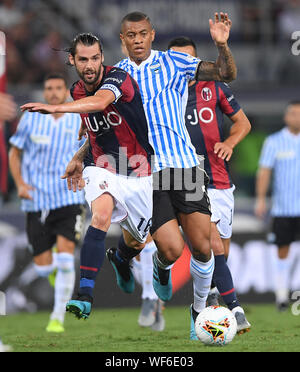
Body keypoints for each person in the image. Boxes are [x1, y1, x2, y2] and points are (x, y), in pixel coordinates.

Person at [114, 11, 237, 340]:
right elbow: (102, 126)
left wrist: (222, 46)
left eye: (143, 33)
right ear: (122, 39)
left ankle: (198, 311)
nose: (137, 39)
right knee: (169, 250)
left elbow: (226, 73)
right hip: (144, 172)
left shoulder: (174, 62)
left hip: (183, 165)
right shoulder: (115, 76)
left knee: (201, 247)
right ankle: (158, 268)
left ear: (152, 35)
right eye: (131, 35)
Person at [20, 33, 154, 320]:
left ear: (102, 57)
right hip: (102, 165)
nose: (90, 65)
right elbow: (94, 130)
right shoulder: (76, 90)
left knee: (137, 242)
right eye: (83, 59)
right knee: (101, 216)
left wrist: (55, 108)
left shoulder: (118, 80)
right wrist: (79, 158)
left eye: (95, 58)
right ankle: (85, 295)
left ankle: (120, 259)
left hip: (139, 170)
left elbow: (100, 102)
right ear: (72, 60)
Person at [168, 36, 251, 335]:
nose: (182, 66)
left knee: (219, 254)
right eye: (176, 59)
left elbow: (243, 123)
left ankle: (209, 301)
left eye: (188, 60)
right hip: (187, 176)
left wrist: (229, 141)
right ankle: (237, 309)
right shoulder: (162, 95)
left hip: (220, 180)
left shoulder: (214, 87)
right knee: (212, 243)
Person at [9, 73, 86, 333]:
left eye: (58, 88)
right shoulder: (30, 119)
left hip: (69, 197)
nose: (53, 92)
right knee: (43, 268)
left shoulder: (78, 118)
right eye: (48, 88)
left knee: (65, 259)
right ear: (44, 91)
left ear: (66, 91)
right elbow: (14, 153)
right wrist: (20, 183)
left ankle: (57, 317)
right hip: (37, 201)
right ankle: (50, 271)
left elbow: (92, 150)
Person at [255, 100, 300, 311]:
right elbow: (264, 171)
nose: (296, 117)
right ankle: (282, 296)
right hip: (283, 208)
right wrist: (261, 199)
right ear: (286, 117)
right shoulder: (274, 141)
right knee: (282, 250)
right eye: (293, 113)